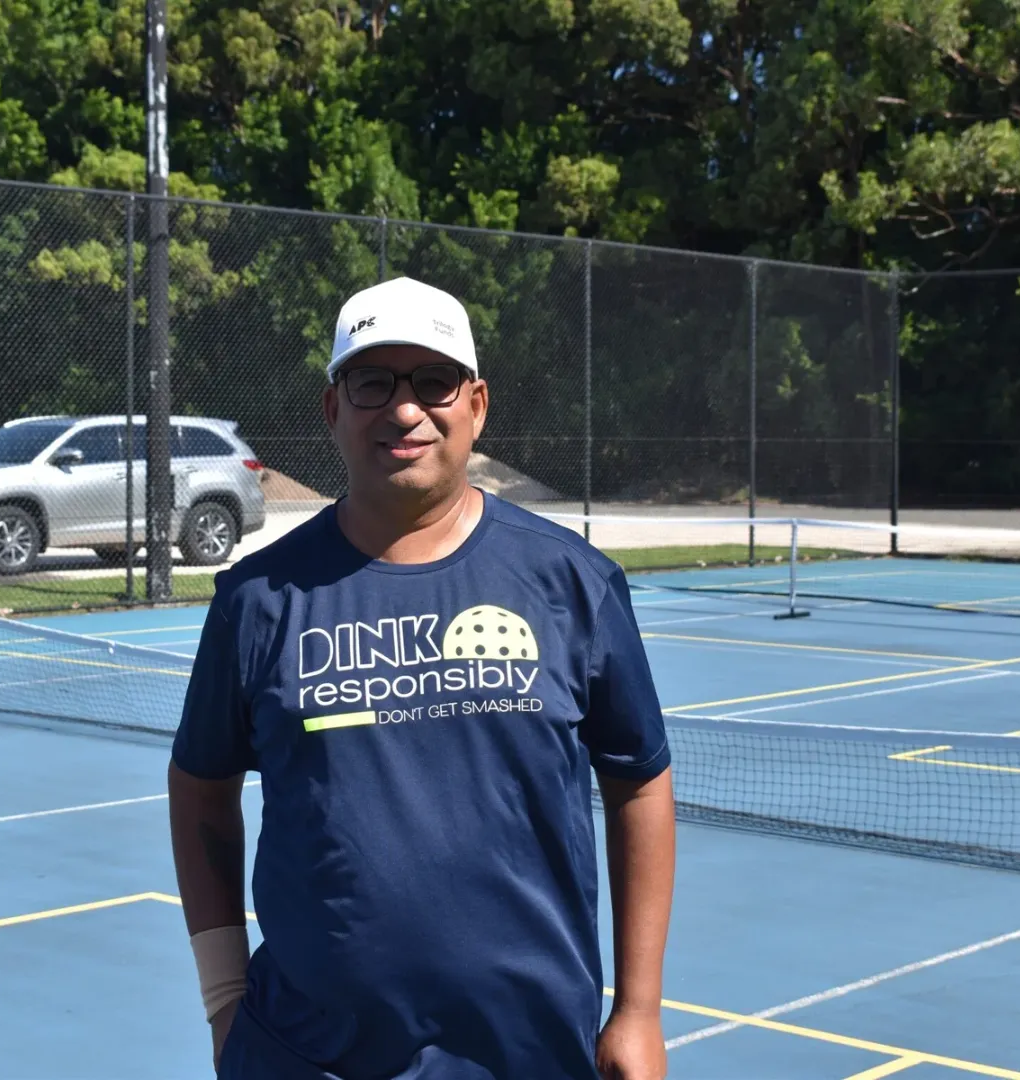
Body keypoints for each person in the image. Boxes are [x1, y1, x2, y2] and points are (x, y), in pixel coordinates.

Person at [168, 275, 677, 1080]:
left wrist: (639, 1011)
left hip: (530, 1055)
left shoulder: (573, 583)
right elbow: (200, 788)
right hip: (305, 1055)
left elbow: (639, 780)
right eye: (372, 383)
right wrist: (224, 998)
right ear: (333, 408)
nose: (404, 410)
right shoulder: (256, 600)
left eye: (433, 382)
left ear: (476, 404)